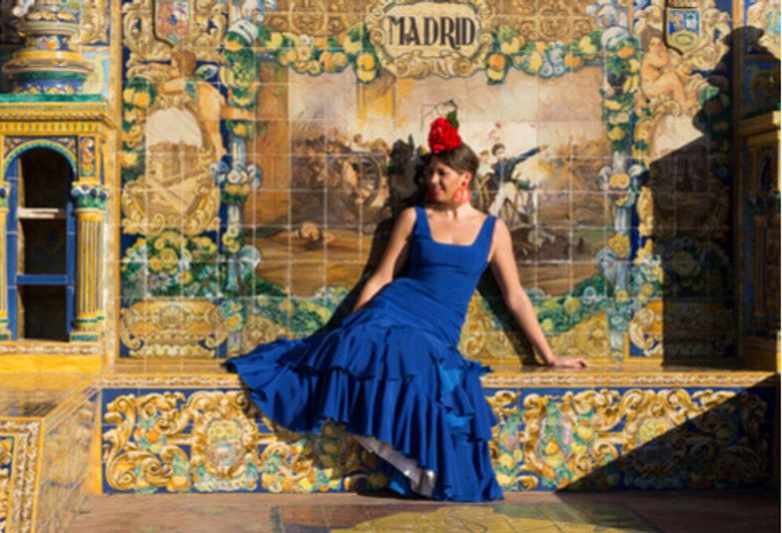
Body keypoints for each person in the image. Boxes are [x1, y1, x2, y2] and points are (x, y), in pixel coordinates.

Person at [224, 114, 589, 502]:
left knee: (419, 358)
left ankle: (420, 468)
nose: (433, 181)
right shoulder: (413, 218)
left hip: (437, 327)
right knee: (374, 344)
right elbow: (382, 277)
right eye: (430, 174)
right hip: (393, 309)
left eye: (442, 174)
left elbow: (515, 296)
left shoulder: (492, 229)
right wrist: (348, 324)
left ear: (464, 178)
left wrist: (548, 355)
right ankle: (405, 456)